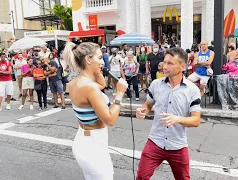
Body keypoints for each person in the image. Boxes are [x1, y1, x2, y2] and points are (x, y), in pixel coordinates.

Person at [63, 42, 128, 180]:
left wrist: (97, 69)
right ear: (88, 59)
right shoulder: (90, 87)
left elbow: (102, 85)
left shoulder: (76, 82)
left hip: (86, 140)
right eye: (99, 58)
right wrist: (119, 95)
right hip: (92, 146)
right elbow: (110, 120)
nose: (102, 61)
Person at [136, 47, 202, 180]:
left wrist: (177, 119)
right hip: (155, 141)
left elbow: (196, 120)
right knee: (141, 177)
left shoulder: (192, 90)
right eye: (164, 62)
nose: (164, 66)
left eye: (170, 63)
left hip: (177, 145)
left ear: (182, 67)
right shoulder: (155, 84)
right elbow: (148, 104)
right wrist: (143, 110)